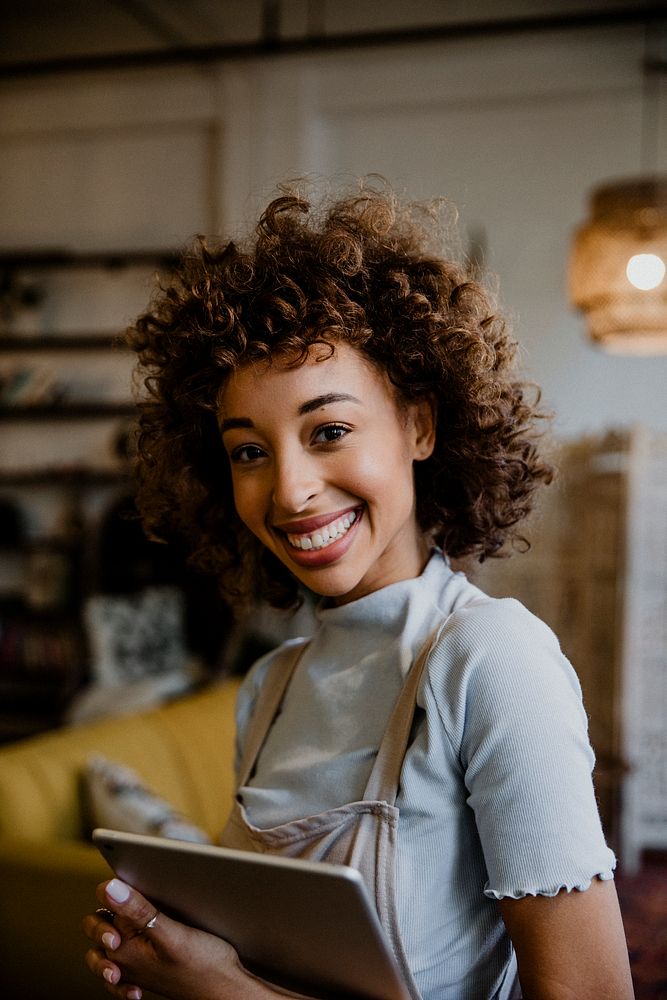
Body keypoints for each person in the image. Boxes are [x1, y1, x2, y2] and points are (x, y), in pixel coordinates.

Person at [83, 181, 634, 1000]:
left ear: (419, 424)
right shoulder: (270, 689)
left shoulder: (492, 660)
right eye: (247, 451)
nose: (290, 491)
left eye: (328, 431)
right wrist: (172, 950)